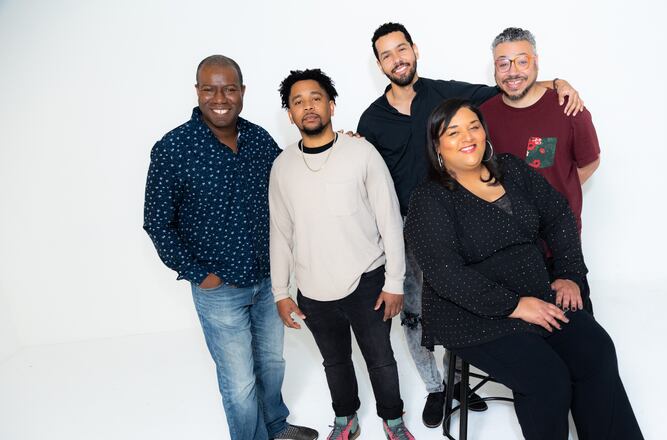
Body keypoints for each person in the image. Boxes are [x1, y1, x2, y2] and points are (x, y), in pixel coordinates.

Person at [356, 22, 585, 428]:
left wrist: (556, 82)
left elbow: (508, 88)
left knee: (462, 293)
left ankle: (469, 370)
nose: (397, 58)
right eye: (386, 54)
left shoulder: (447, 93)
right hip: (409, 223)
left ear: (415, 49)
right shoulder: (371, 119)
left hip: (463, 220)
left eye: (401, 49)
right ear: (379, 64)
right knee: (415, 311)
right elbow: (366, 171)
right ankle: (436, 387)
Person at [404, 99, 643, 440]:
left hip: (536, 291)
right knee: (547, 378)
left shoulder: (511, 169)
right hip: (471, 314)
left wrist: (569, 273)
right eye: (453, 132)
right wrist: (515, 306)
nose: (467, 136)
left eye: (473, 126)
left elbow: (559, 214)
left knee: (596, 351)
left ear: (485, 132)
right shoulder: (429, 199)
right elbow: (447, 275)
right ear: (438, 147)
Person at [143, 55, 318, 440]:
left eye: (229, 88)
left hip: (268, 279)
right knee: (239, 382)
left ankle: (276, 426)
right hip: (218, 288)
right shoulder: (174, 149)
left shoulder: (258, 139)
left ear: (242, 92)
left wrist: (340, 143)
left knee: (272, 363)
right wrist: (199, 275)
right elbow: (157, 222)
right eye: (210, 88)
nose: (220, 97)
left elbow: (291, 186)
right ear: (197, 92)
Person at [270, 68, 414, 440]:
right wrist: (281, 292)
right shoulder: (282, 166)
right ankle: (345, 418)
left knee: (380, 359)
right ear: (290, 114)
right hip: (313, 288)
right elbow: (281, 232)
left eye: (315, 98)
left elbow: (389, 220)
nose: (308, 107)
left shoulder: (361, 153)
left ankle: (393, 420)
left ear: (331, 104)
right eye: (297, 102)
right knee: (334, 361)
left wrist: (395, 281)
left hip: (367, 280)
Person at [481, 27, 601, 312]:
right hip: (508, 252)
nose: (513, 71)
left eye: (522, 61)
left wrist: (560, 193)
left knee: (578, 332)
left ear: (535, 61)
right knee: (527, 342)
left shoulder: (568, 108)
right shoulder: (482, 116)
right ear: (494, 68)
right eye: (503, 63)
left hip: (560, 250)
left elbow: (589, 163)